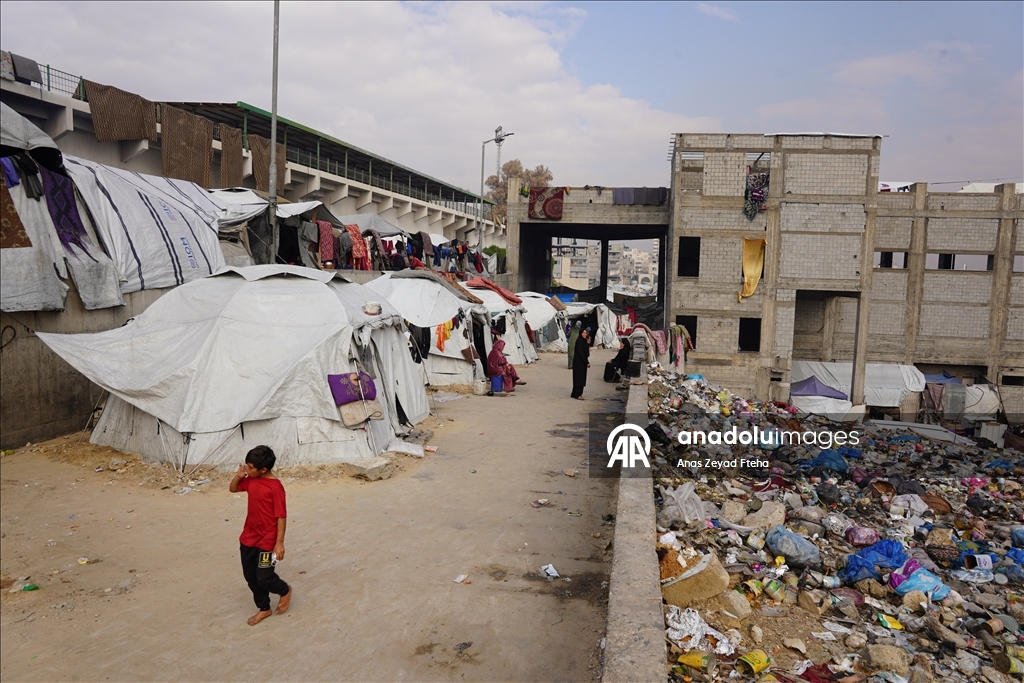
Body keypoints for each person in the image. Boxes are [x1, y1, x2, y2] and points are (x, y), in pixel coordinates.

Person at [229, 445, 292, 626]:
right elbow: (233, 489)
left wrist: (279, 543)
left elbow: (281, 516)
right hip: (249, 538)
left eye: (250, 467)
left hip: (267, 541)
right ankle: (264, 608)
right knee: (250, 576)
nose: (247, 470)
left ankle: (284, 590)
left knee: (264, 576)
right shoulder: (251, 480)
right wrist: (238, 476)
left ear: (263, 469)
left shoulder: (276, 488)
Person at [571, 327, 591, 399]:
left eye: (586, 333)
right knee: (579, 378)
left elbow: (587, 353)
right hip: (579, 362)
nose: (585, 334)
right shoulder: (579, 341)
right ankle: (578, 394)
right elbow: (581, 353)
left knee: (580, 377)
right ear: (580, 333)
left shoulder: (584, 341)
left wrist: (588, 344)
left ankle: (575, 393)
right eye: (583, 333)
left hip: (581, 362)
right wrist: (586, 362)